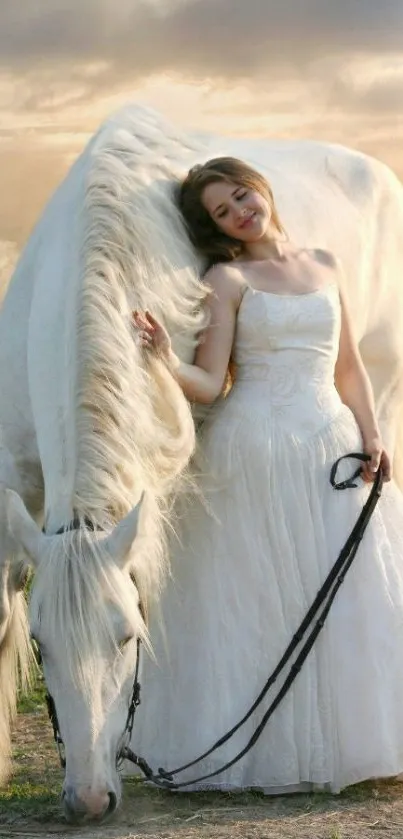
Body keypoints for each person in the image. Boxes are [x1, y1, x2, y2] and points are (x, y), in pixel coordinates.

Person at [131, 157, 403, 794]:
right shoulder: (227, 279)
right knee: (256, 599)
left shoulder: (326, 265)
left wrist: (372, 433)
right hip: (253, 448)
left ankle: (347, 742)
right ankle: (264, 750)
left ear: (261, 186)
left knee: (350, 597)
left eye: (240, 196)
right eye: (222, 212)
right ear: (216, 227)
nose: (239, 213)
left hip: (328, 444)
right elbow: (209, 383)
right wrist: (166, 359)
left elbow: (350, 369)